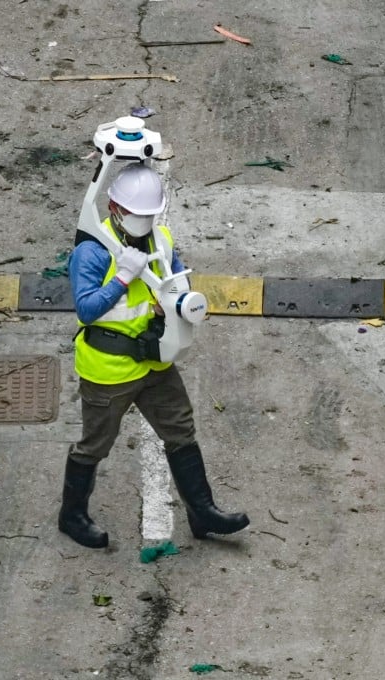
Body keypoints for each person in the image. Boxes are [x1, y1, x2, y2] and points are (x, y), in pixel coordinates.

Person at [61, 163, 249, 549]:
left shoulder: (161, 239)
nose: (143, 221)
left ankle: (202, 511)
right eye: (136, 214)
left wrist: (177, 303)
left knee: (181, 431)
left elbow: (179, 281)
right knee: (95, 445)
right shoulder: (93, 252)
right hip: (108, 370)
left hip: (156, 361)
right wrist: (121, 279)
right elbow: (86, 309)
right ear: (113, 207)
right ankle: (72, 515)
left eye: (149, 215)